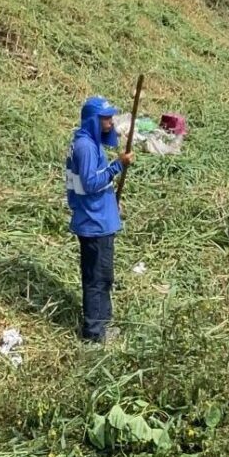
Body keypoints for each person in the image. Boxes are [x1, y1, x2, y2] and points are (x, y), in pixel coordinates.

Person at [65, 96, 133, 343]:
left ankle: (103, 325)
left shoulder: (89, 143)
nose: (110, 122)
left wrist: (110, 200)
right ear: (93, 120)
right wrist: (118, 165)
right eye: (105, 118)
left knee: (103, 277)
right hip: (94, 224)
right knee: (96, 279)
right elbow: (91, 182)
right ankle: (94, 334)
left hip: (98, 216)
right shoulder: (85, 147)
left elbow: (93, 184)